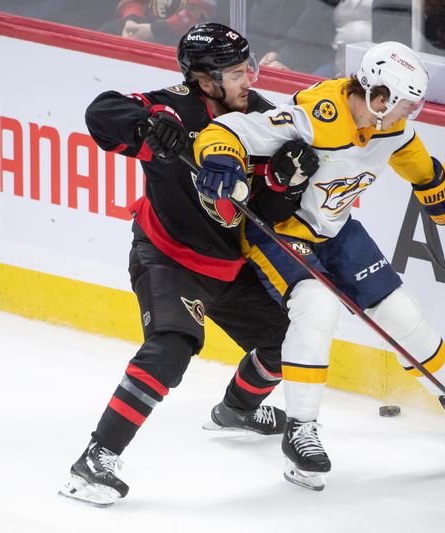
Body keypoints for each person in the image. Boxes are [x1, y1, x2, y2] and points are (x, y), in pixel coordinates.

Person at [192, 41, 445, 491]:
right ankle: (301, 430)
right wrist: (218, 156)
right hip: (282, 230)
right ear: (380, 98)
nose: (408, 116)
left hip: (335, 229)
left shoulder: (388, 126)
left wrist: (434, 182)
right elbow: (234, 130)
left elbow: (410, 152)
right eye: (405, 106)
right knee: (316, 307)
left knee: (400, 311)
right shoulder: (319, 115)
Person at [60, 22, 320, 506]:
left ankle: (237, 410)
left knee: (289, 342)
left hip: (230, 263)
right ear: (204, 81)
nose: (250, 81)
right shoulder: (171, 106)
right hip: (169, 256)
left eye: (250, 68)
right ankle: (95, 458)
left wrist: (286, 184)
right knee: (172, 346)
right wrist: (149, 128)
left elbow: (267, 216)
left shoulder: (263, 118)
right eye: (238, 73)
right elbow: (102, 112)